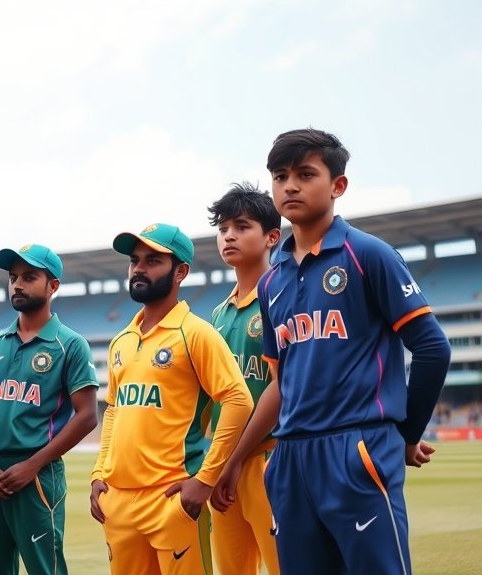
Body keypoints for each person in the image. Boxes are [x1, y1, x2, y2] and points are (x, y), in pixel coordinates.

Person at [223, 128, 451, 575]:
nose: (290, 185)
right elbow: (279, 386)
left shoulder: (367, 253)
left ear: (337, 185)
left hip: (357, 447)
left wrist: (405, 435)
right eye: (280, 175)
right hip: (290, 460)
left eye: (306, 174)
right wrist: (234, 461)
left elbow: (432, 348)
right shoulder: (272, 282)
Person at [89, 223, 254, 575]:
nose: (139, 269)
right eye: (135, 261)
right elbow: (114, 411)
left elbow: (239, 400)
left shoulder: (196, 333)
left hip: (173, 498)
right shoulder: (122, 340)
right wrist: (99, 474)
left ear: (180, 272)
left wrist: (206, 478)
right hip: (119, 501)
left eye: (153, 261)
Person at [0, 244, 99, 575]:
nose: (17, 284)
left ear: (53, 286)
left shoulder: (69, 343)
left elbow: (87, 415)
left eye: (29, 277)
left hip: (36, 474)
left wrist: (32, 465)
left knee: (45, 569)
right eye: (13, 277)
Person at [203, 184, 281, 575]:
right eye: (223, 227)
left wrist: (233, 460)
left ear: (271, 237)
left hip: (270, 458)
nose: (229, 235)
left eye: (241, 226)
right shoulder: (218, 313)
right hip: (223, 465)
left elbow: (281, 386)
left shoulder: (282, 296)